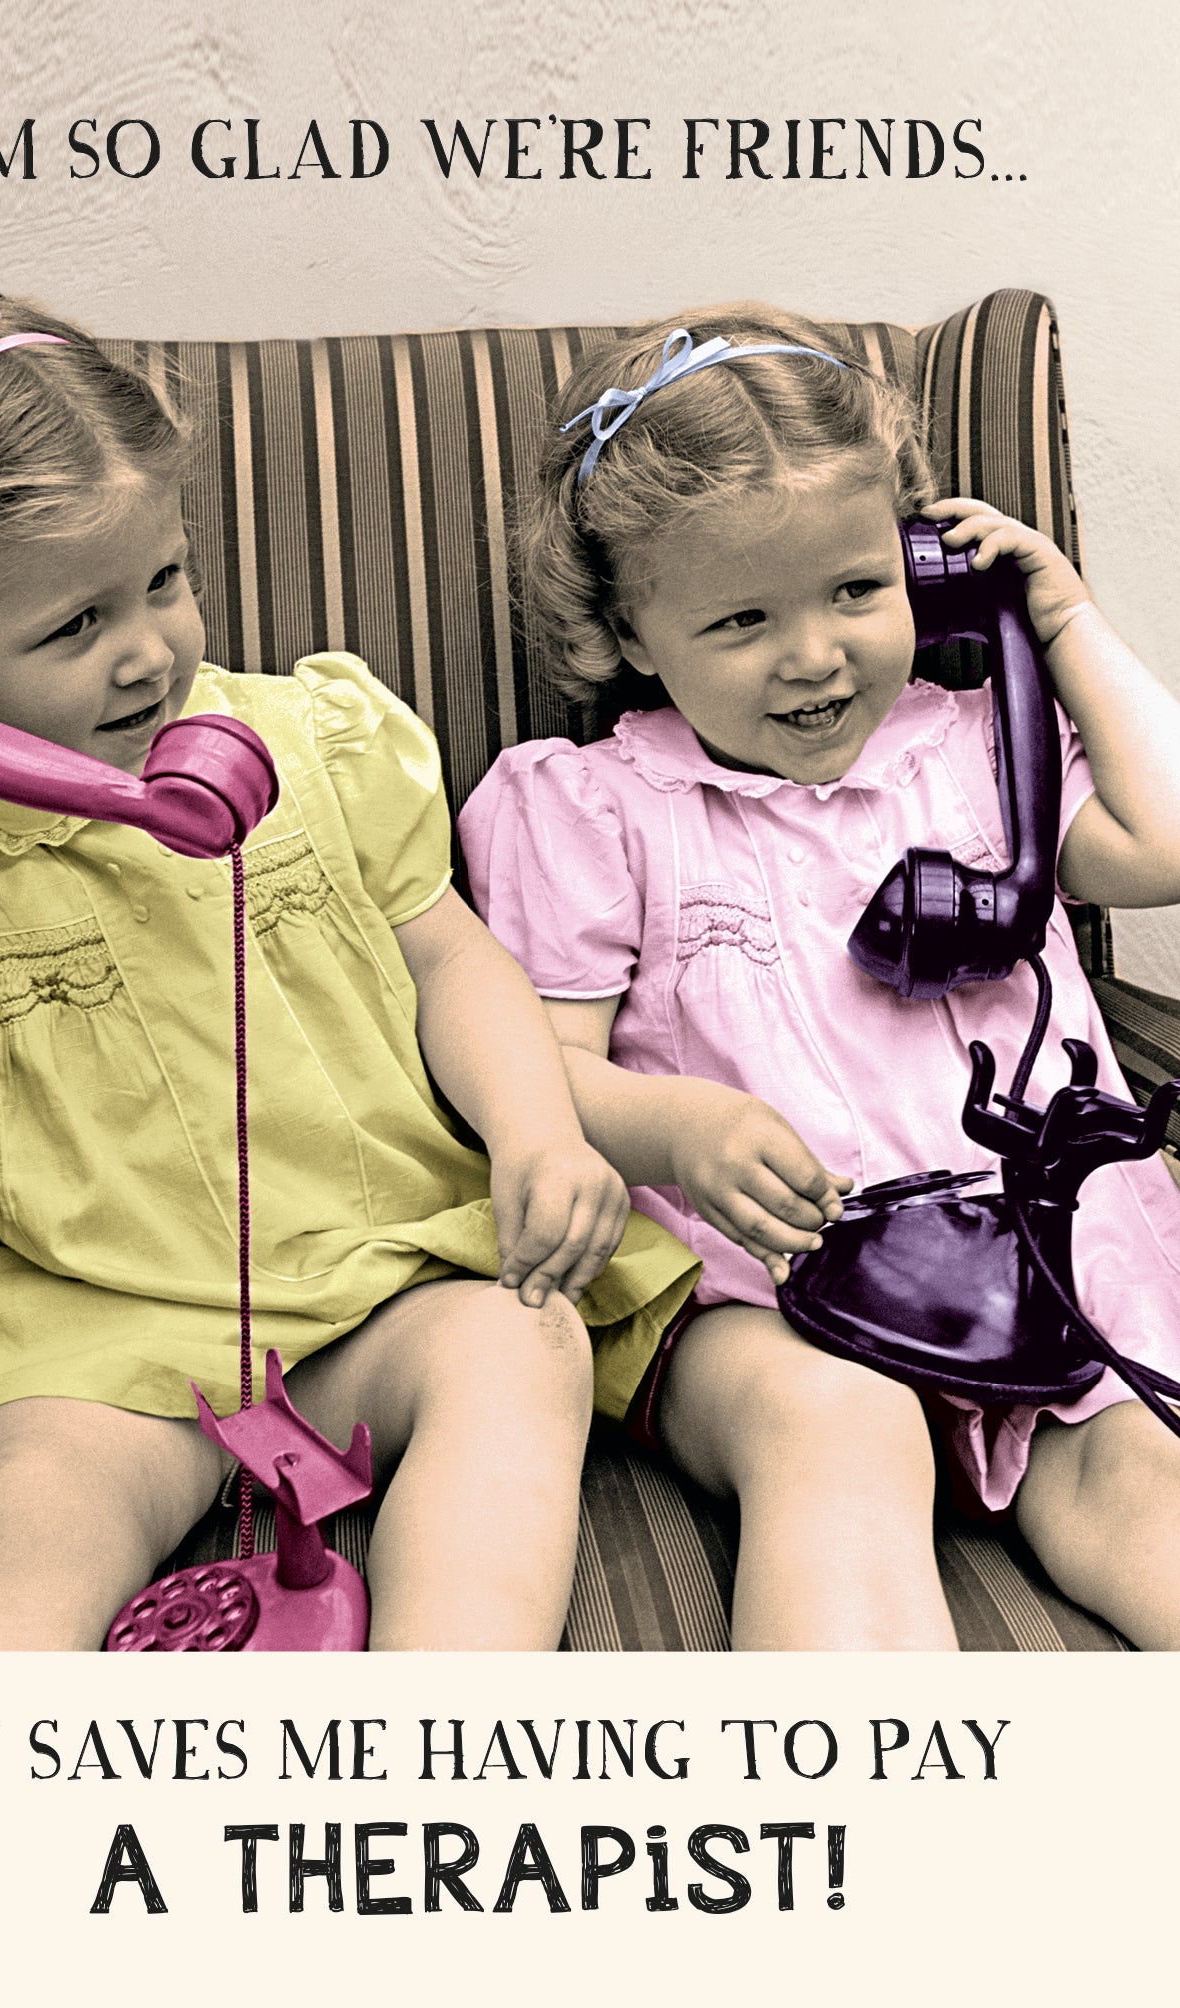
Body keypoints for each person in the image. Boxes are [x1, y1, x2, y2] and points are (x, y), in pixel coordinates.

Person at [0, 285, 700, 1651]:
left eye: (163, 580)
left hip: (384, 1280)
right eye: (74, 626)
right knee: (9, 1576)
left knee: (523, 1343)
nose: (149, 649)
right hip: (94, 1346)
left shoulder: (313, 740)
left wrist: (534, 1130)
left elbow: (451, 961)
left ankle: (451, 1705)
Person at [460, 306, 1180, 1650]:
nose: (813, 654)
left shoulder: (978, 750)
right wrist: (676, 1127)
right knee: (838, 1431)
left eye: (857, 589)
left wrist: (1058, 619)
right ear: (627, 630)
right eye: (741, 618)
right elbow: (530, 1068)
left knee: (1148, 1480)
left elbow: (1168, 841)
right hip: (760, 1295)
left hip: (1043, 1272)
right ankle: (867, 1767)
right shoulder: (592, 809)